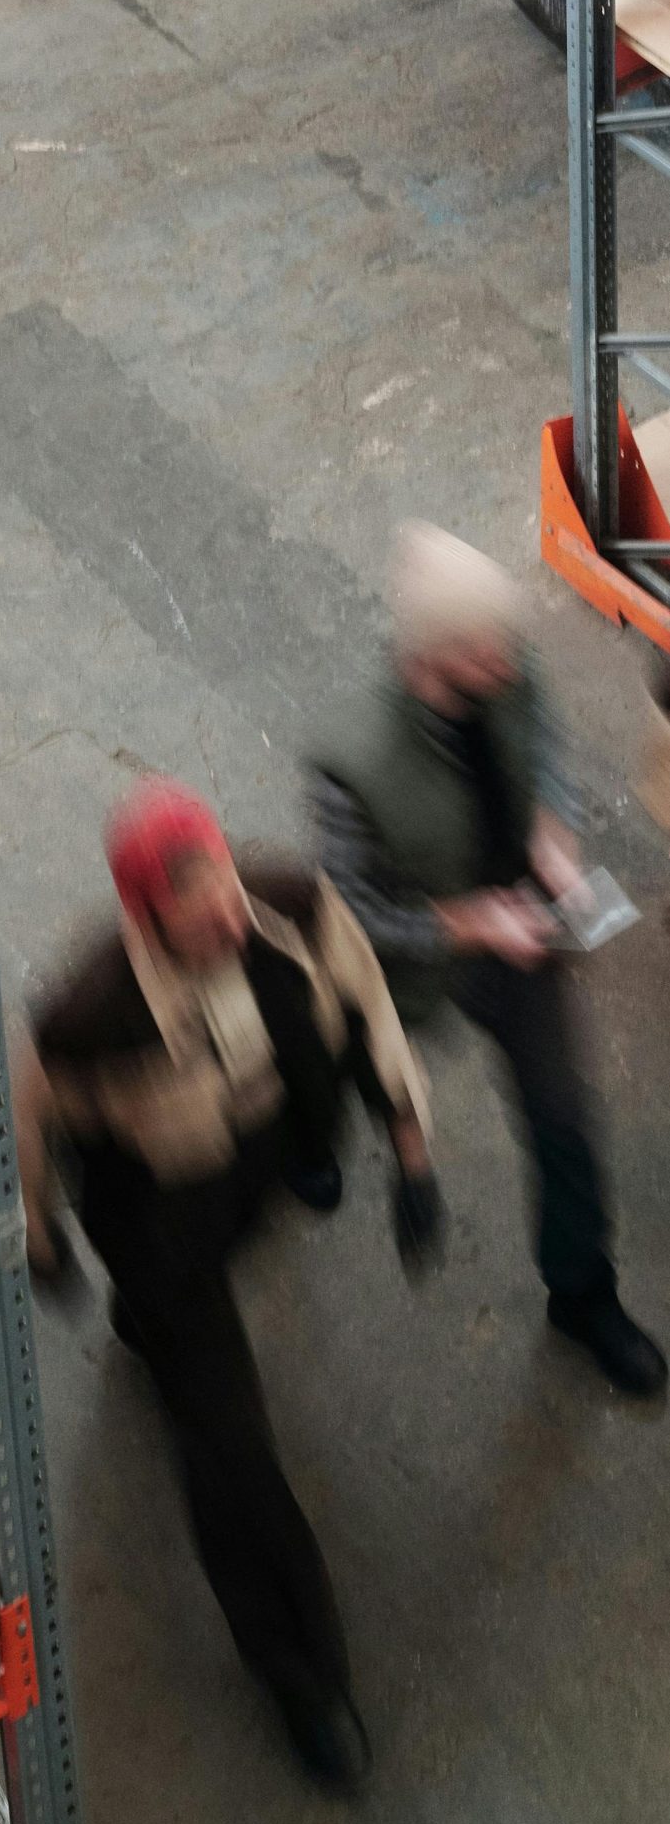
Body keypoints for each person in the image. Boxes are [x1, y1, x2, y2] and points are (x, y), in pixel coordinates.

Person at [13, 780, 442, 1794]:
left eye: (224, 890)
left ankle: (164, 1315)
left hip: (260, 1153)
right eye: (194, 910)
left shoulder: (286, 900)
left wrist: (412, 1151)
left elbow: (367, 1002)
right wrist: (41, 1238)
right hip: (163, 1219)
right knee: (229, 1456)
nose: (225, 917)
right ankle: (300, 1675)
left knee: (311, 1063)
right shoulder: (90, 1016)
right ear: (144, 917)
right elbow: (26, 1125)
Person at [309, 522, 666, 1401]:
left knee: (562, 1118)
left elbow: (542, 746)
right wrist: (465, 926)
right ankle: (304, 1143)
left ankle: (581, 1293)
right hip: (414, 957)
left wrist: (550, 828)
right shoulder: (348, 761)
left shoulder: (506, 669)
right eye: (485, 654)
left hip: (516, 933)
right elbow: (352, 913)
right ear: (431, 661)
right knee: (333, 1061)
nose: (510, 664)